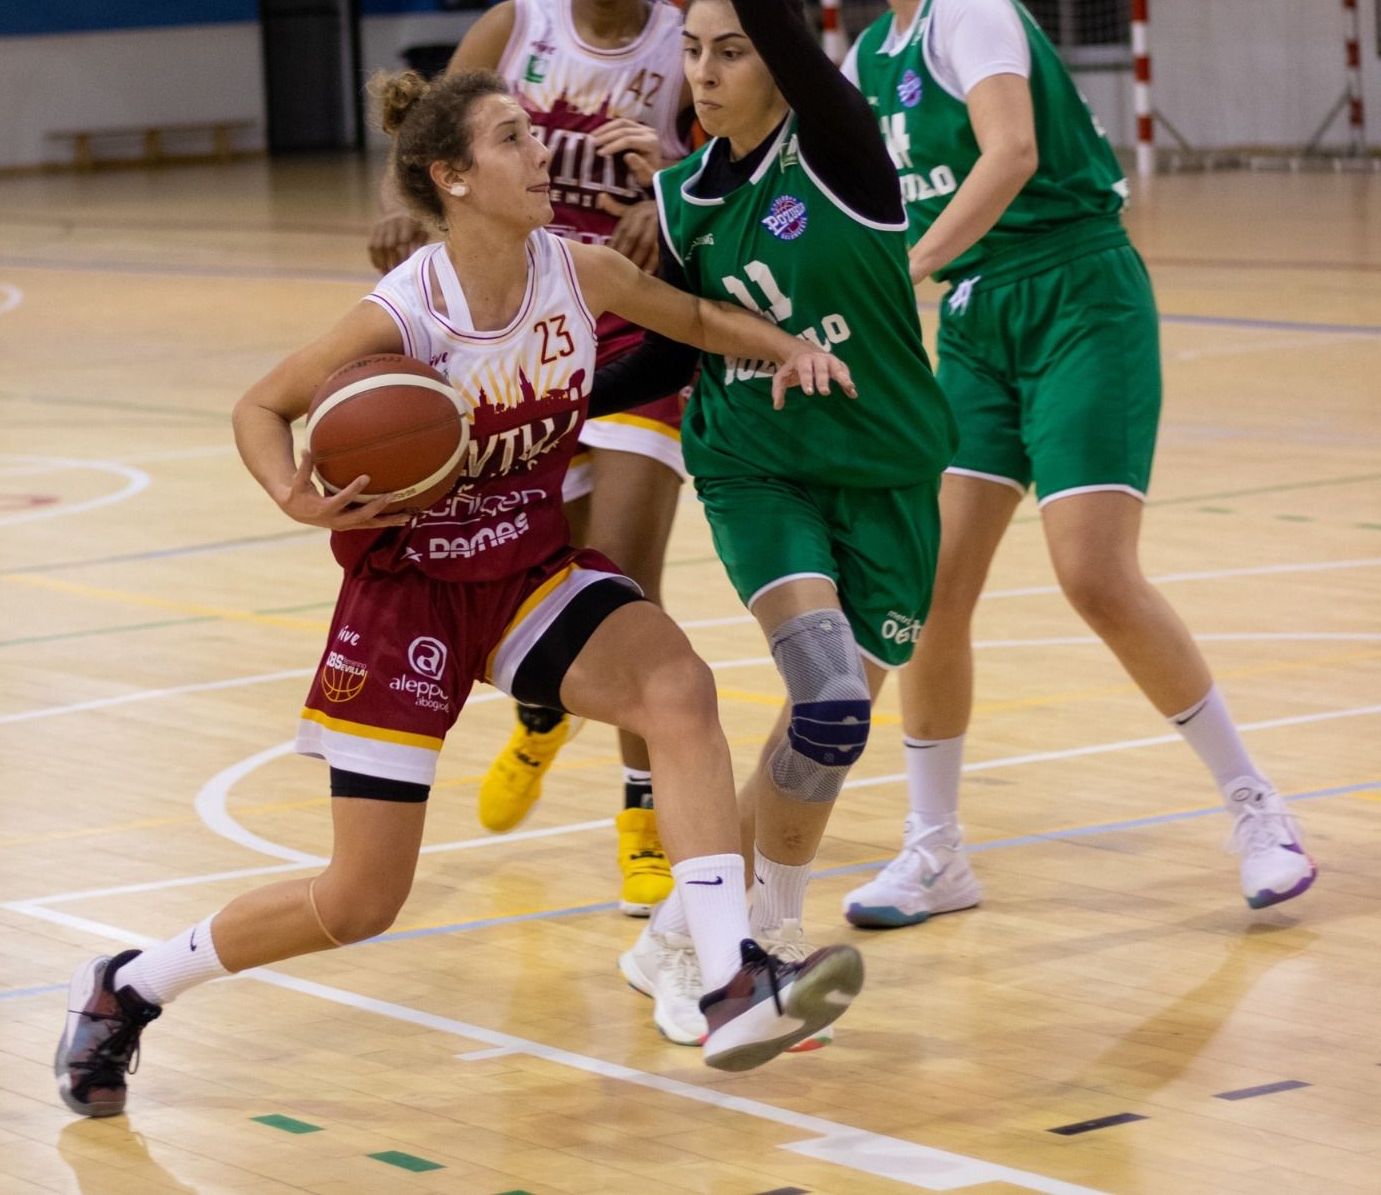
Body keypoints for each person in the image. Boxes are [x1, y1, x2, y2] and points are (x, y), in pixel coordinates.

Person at [54, 65, 868, 1119]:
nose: (542, 154)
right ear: (455, 177)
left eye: (534, 135)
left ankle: (728, 979)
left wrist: (787, 346)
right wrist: (298, 499)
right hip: (410, 599)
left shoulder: (580, 272)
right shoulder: (403, 312)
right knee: (359, 901)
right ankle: (131, 986)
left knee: (677, 689)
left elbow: (698, 322)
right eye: (513, 140)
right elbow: (261, 407)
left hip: (529, 569)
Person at [836, 0, 1318, 927]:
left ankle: (1256, 809)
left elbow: (1006, 154)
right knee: (925, 592)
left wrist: (903, 267)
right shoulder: (868, 57)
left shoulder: (971, 10)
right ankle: (935, 851)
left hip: (1075, 292)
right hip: (974, 319)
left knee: (1092, 573)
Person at [598, 0, 957, 1050]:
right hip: (756, 466)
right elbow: (668, 355)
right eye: (688, 52)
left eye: (730, 52)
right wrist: (531, 412)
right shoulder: (686, 198)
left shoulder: (843, 151)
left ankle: (675, 942)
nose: (704, 72)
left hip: (890, 466)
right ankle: (765, 947)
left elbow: (784, 27)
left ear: (781, 63)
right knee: (827, 704)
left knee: (827, 732)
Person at [368, 0, 694, 917]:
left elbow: (731, 158)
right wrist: (402, 211)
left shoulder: (684, 38)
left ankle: (642, 821)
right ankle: (547, 712)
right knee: (550, 560)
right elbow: (433, 131)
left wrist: (674, 194)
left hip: (634, 315)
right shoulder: (517, 26)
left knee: (631, 578)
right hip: (524, 327)